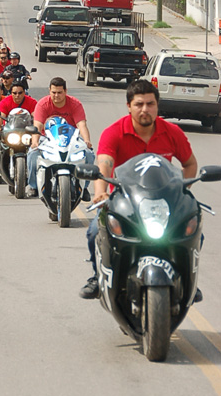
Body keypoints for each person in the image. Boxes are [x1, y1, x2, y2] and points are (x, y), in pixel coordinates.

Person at [79, 78, 199, 300]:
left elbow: (190, 163)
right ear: (129, 106)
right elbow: (104, 163)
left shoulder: (172, 132)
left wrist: (184, 190)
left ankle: (187, 277)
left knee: (193, 228)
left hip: (163, 202)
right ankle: (99, 276)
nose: (145, 109)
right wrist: (100, 192)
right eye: (139, 104)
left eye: (150, 104)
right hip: (124, 202)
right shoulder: (114, 132)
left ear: (157, 105)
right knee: (95, 230)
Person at [26, 77, 93, 198]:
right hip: (47, 138)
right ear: (49, 91)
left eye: (59, 92)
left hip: (71, 138)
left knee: (88, 154)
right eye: (54, 92)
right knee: (32, 153)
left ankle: (85, 187)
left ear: (66, 91)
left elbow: (81, 124)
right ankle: (33, 186)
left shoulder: (75, 104)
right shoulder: (43, 104)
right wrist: (35, 142)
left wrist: (87, 140)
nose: (56, 95)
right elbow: (38, 125)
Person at [0, 83, 39, 165]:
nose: (17, 95)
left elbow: (37, 117)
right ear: (11, 93)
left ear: (24, 93)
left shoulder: (32, 102)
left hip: (26, 131)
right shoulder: (5, 102)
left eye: (20, 93)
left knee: (40, 141)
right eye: (15, 93)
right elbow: (0, 117)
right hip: (9, 130)